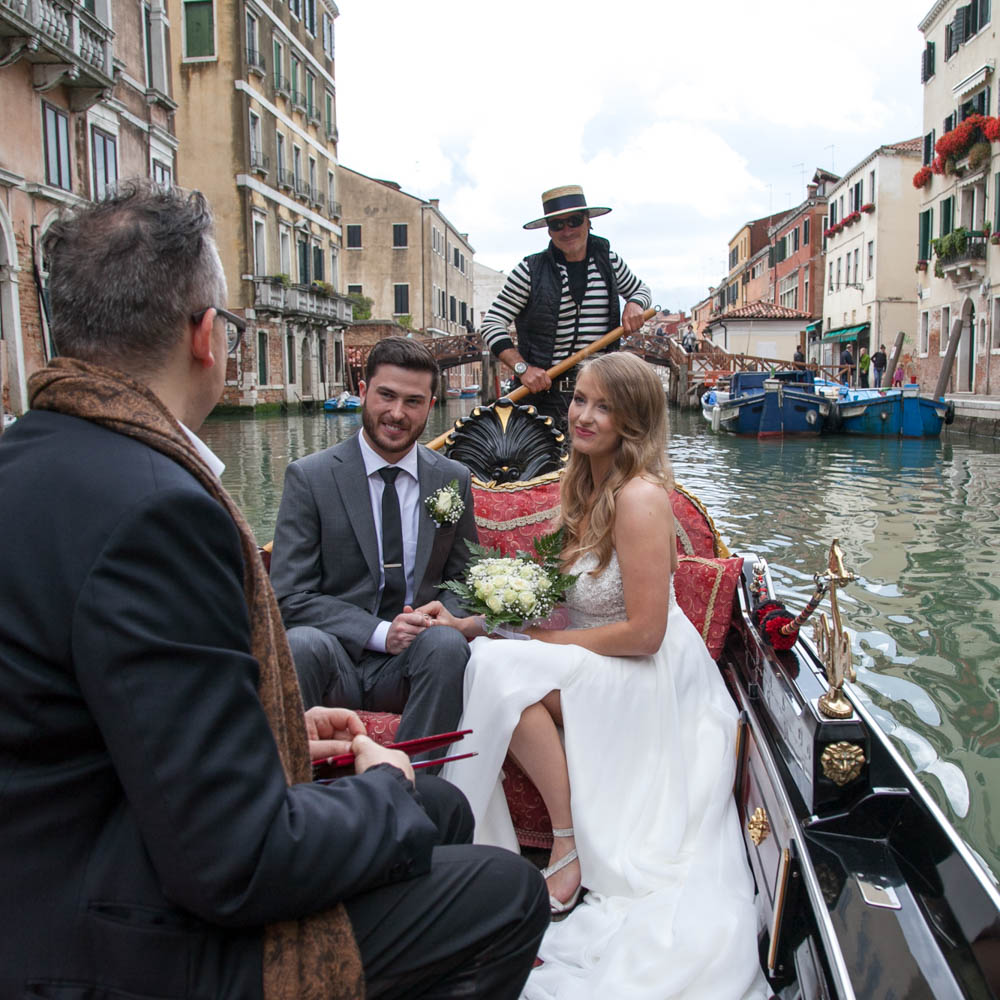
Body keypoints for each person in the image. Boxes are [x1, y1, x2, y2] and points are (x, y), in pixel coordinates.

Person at [0, 181, 548, 999]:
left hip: (57, 857)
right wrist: (384, 784)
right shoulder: (162, 510)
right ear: (204, 338)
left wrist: (275, 725)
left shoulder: (24, 464)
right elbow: (236, 860)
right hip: (108, 935)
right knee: (508, 890)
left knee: (438, 806)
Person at [441, 353, 765, 999]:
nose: (583, 415)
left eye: (603, 406)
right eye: (580, 399)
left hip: (655, 681)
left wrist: (547, 642)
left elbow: (644, 634)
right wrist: (472, 622)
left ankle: (563, 847)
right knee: (492, 661)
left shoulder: (642, 498)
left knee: (505, 669)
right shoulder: (583, 486)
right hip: (610, 663)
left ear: (633, 420)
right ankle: (545, 848)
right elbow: (553, 597)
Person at [271, 336, 482, 767]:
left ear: (431, 405)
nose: (397, 414)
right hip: (334, 658)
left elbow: (464, 579)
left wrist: (440, 615)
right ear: (363, 392)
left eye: (413, 401)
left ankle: (411, 793)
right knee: (301, 644)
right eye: (386, 395)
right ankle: (300, 794)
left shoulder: (452, 478)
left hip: (413, 665)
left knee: (445, 645)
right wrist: (381, 633)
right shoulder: (310, 478)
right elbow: (289, 597)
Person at [480, 185, 652, 430]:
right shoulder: (529, 271)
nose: (567, 230)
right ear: (549, 230)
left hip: (601, 394)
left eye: (573, 221)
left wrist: (634, 304)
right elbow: (491, 324)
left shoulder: (610, 262)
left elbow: (641, 290)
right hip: (543, 397)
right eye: (557, 225)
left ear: (588, 222)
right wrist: (523, 369)